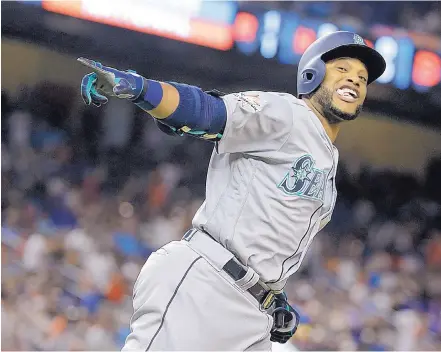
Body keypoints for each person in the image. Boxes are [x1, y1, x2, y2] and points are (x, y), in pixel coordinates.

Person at [78, 31, 386, 351]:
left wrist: (273, 296)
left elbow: (267, 239)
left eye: (363, 78)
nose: (355, 80)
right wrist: (141, 88)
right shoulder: (287, 114)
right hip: (207, 285)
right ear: (313, 74)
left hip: (252, 311)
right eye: (343, 70)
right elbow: (208, 112)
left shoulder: (328, 161)